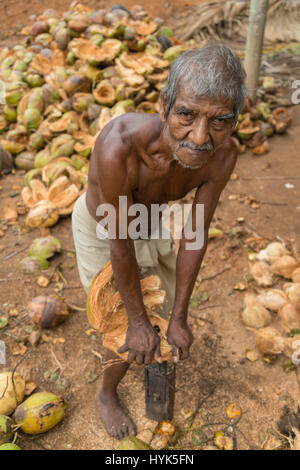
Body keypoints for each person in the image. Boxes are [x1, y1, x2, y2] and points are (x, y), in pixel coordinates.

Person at [72, 41, 246, 439]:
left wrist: (181, 316)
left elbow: (196, 232)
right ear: (164, 104)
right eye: (186, 114)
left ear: (235, 120)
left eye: (219, 121)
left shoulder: (223, 155)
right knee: (121, 327)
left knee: (164, 313)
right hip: (106, 226)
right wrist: (135, 321)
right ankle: (107, 393)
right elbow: (120, 242)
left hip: (150, 218)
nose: (200, 136)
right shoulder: (120, 146)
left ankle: (156, 362)